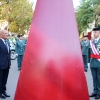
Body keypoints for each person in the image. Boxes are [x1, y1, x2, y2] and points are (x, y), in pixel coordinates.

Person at [89, 27, 100, 99]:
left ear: (99, 33)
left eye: (96, 32)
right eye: (93, 32)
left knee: (99, 78)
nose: (94, 34)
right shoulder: (92, 41)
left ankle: (99, 92)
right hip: (92, 63)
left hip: (99, 63)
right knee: (94, 78)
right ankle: (95, 91)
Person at [0, 30, 11, 99]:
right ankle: (0, 93)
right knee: (0, 80)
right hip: (0, 65)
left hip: (6, 65)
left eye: (7, 33)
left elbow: (8, 54)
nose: (7, 35)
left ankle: (4, 91)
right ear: (0, 34)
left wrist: (9, 64)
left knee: (4, 79)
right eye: (5, 33)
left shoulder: (7, 42)